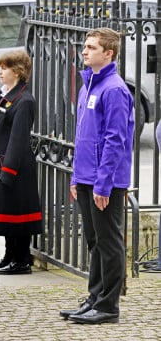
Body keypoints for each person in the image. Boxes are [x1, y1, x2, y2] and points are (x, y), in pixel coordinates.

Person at [59, 27, 134, 325]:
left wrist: (103, 183)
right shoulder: (88, 85)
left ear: (109, 53)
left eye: (91, 47)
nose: (85, 50)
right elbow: (84, 137)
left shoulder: (114, 89)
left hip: (107, 182)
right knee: (94, 241)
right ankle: (95, 297)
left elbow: (116, 140)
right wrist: (77, 177)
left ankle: (108, 306)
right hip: (87, 178)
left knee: (109, 241)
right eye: (85, 46)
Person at [0, 50, 42, 275]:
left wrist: (8, 171)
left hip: (15, 168)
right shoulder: (5, 96)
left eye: (4, 68)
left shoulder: (24, 100)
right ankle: (9, 255)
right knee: (5, 213)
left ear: (17, 71)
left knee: (18, 216)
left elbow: (18, 140)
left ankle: (22, 260)